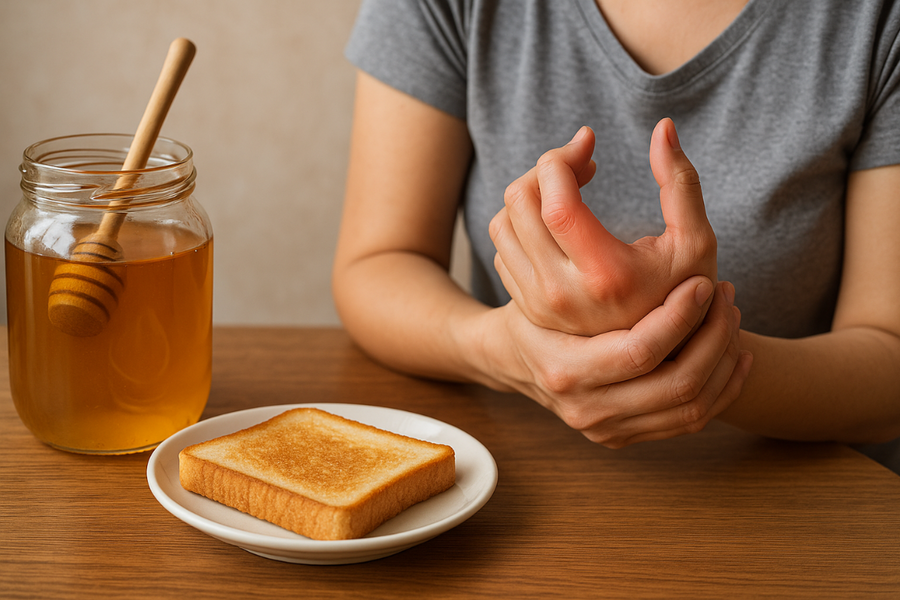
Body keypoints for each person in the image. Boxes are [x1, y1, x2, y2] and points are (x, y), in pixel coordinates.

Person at [333, 0, 900, 469]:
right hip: (510, 478)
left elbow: (888, 358)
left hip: (808, 493)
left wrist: (698, 359)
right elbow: (379, 262)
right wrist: (502, 350)